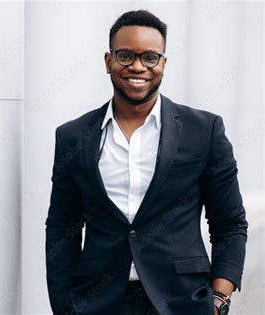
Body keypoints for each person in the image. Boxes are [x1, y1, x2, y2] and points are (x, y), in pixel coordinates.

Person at [44, 9, 247, 315]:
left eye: (149, 57)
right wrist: (64, 306)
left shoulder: (204, 131)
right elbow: (62, 228)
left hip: (183, 302)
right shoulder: (73, 137)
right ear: (108, 61)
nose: (137, 66)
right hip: (98, 302)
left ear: (163, 64)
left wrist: (218, 300)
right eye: (125, 55)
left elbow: (229, 224)